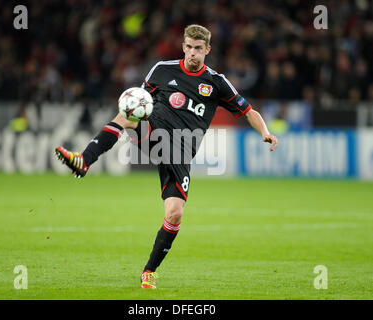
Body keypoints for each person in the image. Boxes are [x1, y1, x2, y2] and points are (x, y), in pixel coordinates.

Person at [55, 24, 278, 289]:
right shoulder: (161, 70)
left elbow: (248, 110)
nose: (193, 53)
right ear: (183, 46)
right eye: (189, 47)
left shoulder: (216, 83)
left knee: (174, 215)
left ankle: (149, 271)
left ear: (207, 50)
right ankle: (85, 160)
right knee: (126, 116)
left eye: (198, 49)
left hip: (181, 152)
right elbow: (138, 99)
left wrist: (265, 131)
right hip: (155, 133)